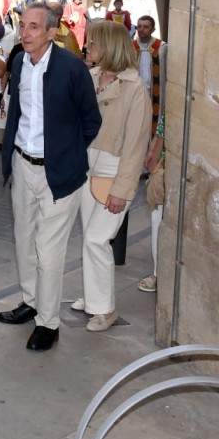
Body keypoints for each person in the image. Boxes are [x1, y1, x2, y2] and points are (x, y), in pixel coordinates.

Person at [0, 3, 101, 352]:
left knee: (49, 249)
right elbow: (17, 112)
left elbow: (91, 121)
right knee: (24, 239)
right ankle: (31, 301)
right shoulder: (18, 63)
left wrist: (67, 153)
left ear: (51, 31)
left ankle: (48, 323)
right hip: (23, 165)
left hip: (59, 172)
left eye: (34, 27)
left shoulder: (72, 69)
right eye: (23, 26)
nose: (25, 33)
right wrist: (11, 158)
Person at [70, 21, 150, 331]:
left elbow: (135, 144)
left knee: (96, 238)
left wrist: (123, 189)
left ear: (110, 47)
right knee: (90, 237)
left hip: (113, 171)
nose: (87, 46)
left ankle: (105, 309)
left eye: (93, 42)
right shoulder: (87, 76)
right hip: (85, 167)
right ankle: (93, 298)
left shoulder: (135, 89)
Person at [138, 114, 165, 293]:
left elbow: (163, 130)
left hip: (165, 166)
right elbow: (162, 127)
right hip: (166, 165)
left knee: (158, 218)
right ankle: (158, 273)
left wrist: (153, 156)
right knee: (157, 218)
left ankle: (158, 274)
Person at [133, 15, 165, 136]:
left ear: (153, 29)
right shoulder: (131, 47)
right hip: (136, 92)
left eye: (145, 27)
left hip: (154, 94)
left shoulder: (162, 48)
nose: (141, 29)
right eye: (139, 26)